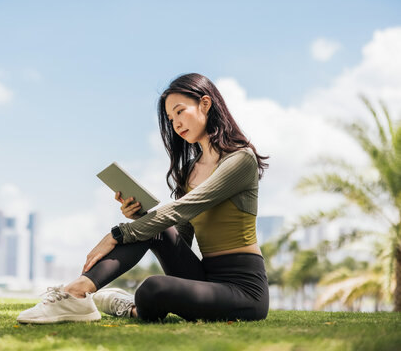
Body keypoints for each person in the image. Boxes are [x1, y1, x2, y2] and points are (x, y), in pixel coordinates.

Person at [17, 72, 270, 324]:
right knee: (152, 228)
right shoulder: (190, 171)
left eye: (180, 111)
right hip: (204, 278)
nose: (176, 124)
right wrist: (139, 217)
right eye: (171, 119)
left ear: (205, 103)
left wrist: (117, 234)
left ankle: (131, 308)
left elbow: (182, 210)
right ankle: (76, 293)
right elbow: (179, 239)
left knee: (152, 288)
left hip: (244, 290)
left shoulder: (240, 159)